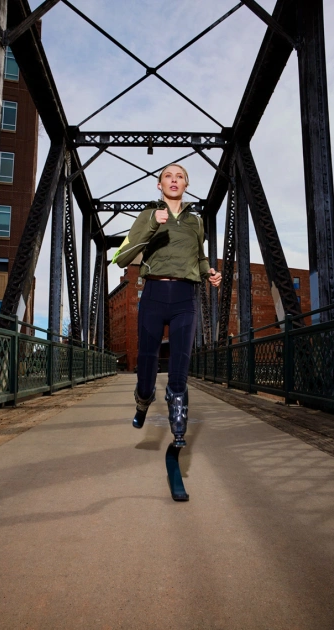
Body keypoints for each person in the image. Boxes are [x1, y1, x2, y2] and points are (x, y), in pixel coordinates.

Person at [113, 164, 221, 446]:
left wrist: (209, 272)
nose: (174, 180)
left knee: (180, 361)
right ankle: (143, 399)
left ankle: (178, 426)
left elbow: (199, 257)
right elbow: (122, 257)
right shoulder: (148, 215)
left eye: (180, 176)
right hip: (153, 295)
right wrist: (152, 224)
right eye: (168, 176)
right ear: (159, 185)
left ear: (186, 184)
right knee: (147, 362)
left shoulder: (196, 222)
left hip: (185, 297)